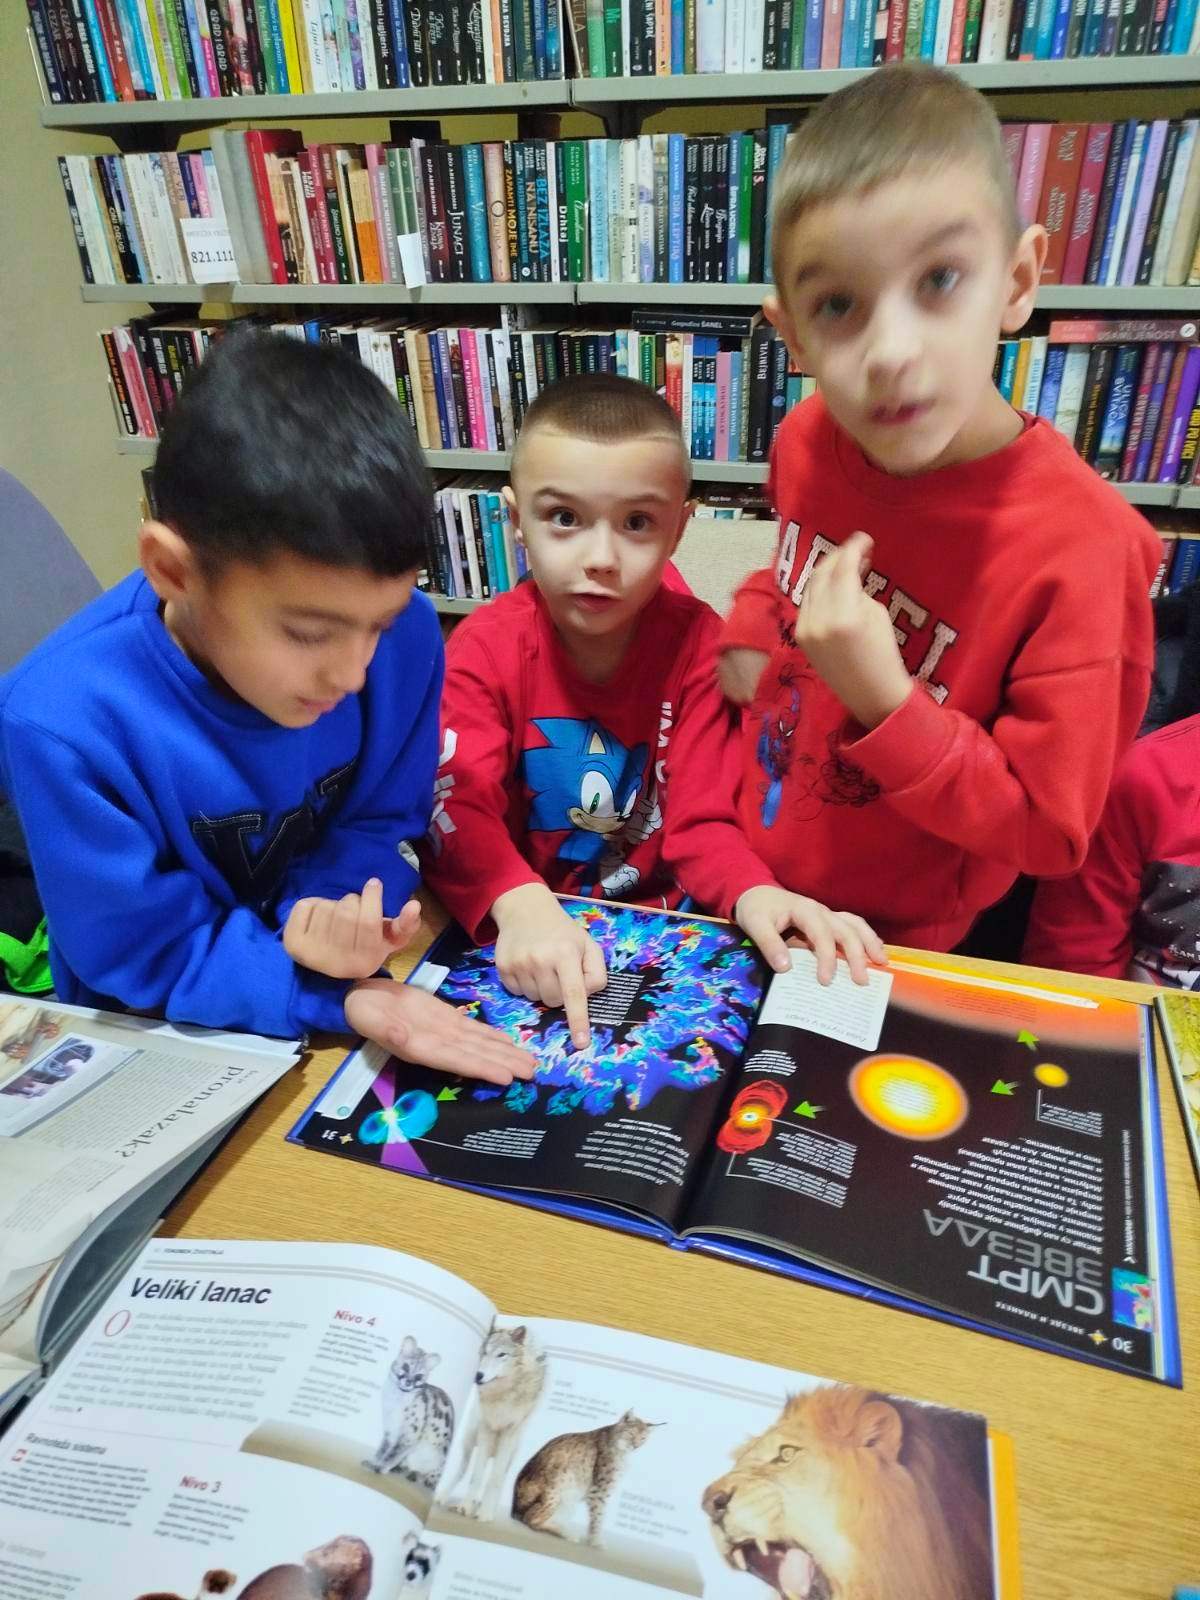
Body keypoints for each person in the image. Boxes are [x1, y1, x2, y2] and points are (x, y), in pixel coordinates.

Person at [0, 332, 529, 1085]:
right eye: (308, 633)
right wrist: (319, 988)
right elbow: (140, 952)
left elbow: (380, 819)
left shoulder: (407, 636)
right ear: (172, 571)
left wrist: (330, 914)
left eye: (378, 624)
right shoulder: (58, 721)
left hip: (317, 1008)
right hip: (151, 1040)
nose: (353, 672)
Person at [718, 62, 1161, 953]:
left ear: (1018, 281)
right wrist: (754, 623)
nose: (890, 351)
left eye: (940, 279)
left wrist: (885, 699)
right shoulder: (807, 437)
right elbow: (790, 572)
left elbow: (1050, 830)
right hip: (754, 867)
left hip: (901, 940)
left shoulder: (1085, 549)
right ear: (792, 334)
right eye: (838, 303)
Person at [422, 373, 884, 1048]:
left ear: (678, 529)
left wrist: (755, 892)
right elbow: (455, 807)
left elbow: (702, 818)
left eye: (637, 523)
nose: (601, 559)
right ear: (514, 520)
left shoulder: (697, 644)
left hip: (669, 935)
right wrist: (515, 901)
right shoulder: (482, 649)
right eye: (564, 518)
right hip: (531, 933)